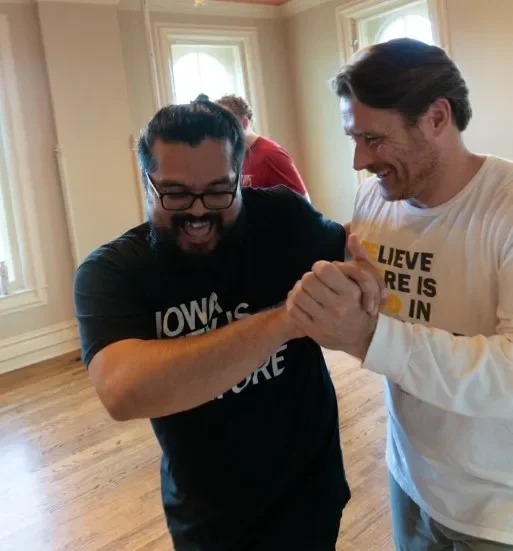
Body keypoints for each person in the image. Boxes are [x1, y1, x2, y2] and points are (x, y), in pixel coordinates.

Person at [73, 98, 374, 551]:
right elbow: (123, 390)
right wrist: (285, 322)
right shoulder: (113, 272)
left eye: (218, 191)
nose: (198, 213)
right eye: (175, 193)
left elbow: (355, 249)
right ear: (146, 184)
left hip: (311, 491)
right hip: (210, 518)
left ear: (240, 176)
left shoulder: (280, 217)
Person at [286, 38, 513, 550]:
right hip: (410, 476)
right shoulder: (376, 195)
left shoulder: (506, 209)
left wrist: (371, 337)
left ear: (437, 117)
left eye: (374, 138)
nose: (359, 160)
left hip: (496, 508)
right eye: (353, 137)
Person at [216, 94, 310, 198]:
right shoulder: (232, 158)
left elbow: (303, 203)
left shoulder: (271, 154)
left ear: (243, 123)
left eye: (225, 123)